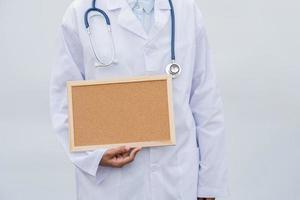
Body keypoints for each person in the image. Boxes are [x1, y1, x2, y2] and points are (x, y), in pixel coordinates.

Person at [49, 0, 228, 199]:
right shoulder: (80, 12)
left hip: (177, 175)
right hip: (112, 184)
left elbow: (206, 101)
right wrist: (93, 157)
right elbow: (65, 101)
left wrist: (210, 185)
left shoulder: (185, 10)